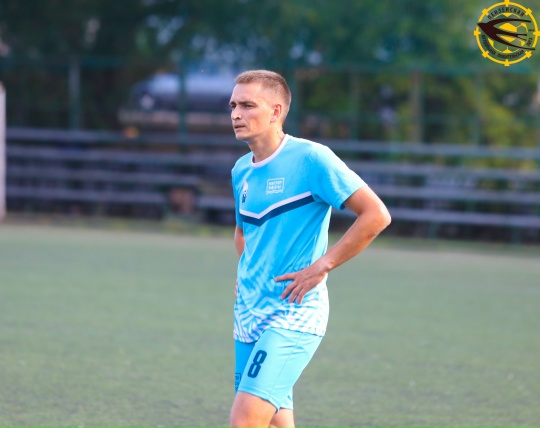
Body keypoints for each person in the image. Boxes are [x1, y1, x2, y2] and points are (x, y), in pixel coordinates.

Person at [229, 70, 391, 428]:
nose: (236, 114)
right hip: (248, 313)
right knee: (276, 423)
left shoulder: (311, 159)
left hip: (293, 314)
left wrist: (323, 265)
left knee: (245, 422)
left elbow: (376, 215)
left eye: (247, 105)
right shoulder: (240, 171)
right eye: (233, 106)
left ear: (276, 111)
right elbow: (243, 232)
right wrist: (247, 274)